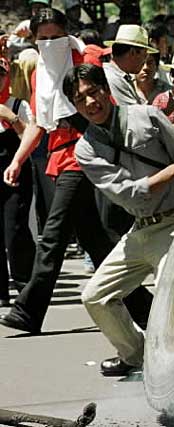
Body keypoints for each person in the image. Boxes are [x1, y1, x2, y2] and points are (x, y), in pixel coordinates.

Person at [62, 63, 174, 376]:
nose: (91, 102)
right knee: (95, 296)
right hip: (139, 230)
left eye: (94, 92)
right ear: (74, 106)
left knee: (169, 296)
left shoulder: (146, 116)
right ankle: (135, 355)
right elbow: (129, 194)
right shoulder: (86, 150)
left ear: (106, 89)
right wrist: (173, 172)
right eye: (81, 99)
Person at [0, 8, 113, 334]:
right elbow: (37, 121)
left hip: (85, 156)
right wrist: (18, 160)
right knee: (95, 241)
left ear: (68, 34)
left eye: (56, 37)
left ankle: (28, 310)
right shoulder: (40, 74)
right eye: (43, 39)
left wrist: (80, 49)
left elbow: (100, 73)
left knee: (52, 236)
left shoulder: (83, 57)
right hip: (57, 158)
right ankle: (143, 307)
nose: (50, 44)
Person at [0, 56, 36, 307]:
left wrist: (12, 119)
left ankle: (25, 286)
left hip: (15, 174)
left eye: (0, 74)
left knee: (15, 229)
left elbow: (31, 138)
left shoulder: (18, 105)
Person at [102, 24, 158, 106]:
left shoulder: (120, 76)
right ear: (133, 52)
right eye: (145, 55)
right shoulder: (114, 78)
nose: (144, 61)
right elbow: (133, 114)